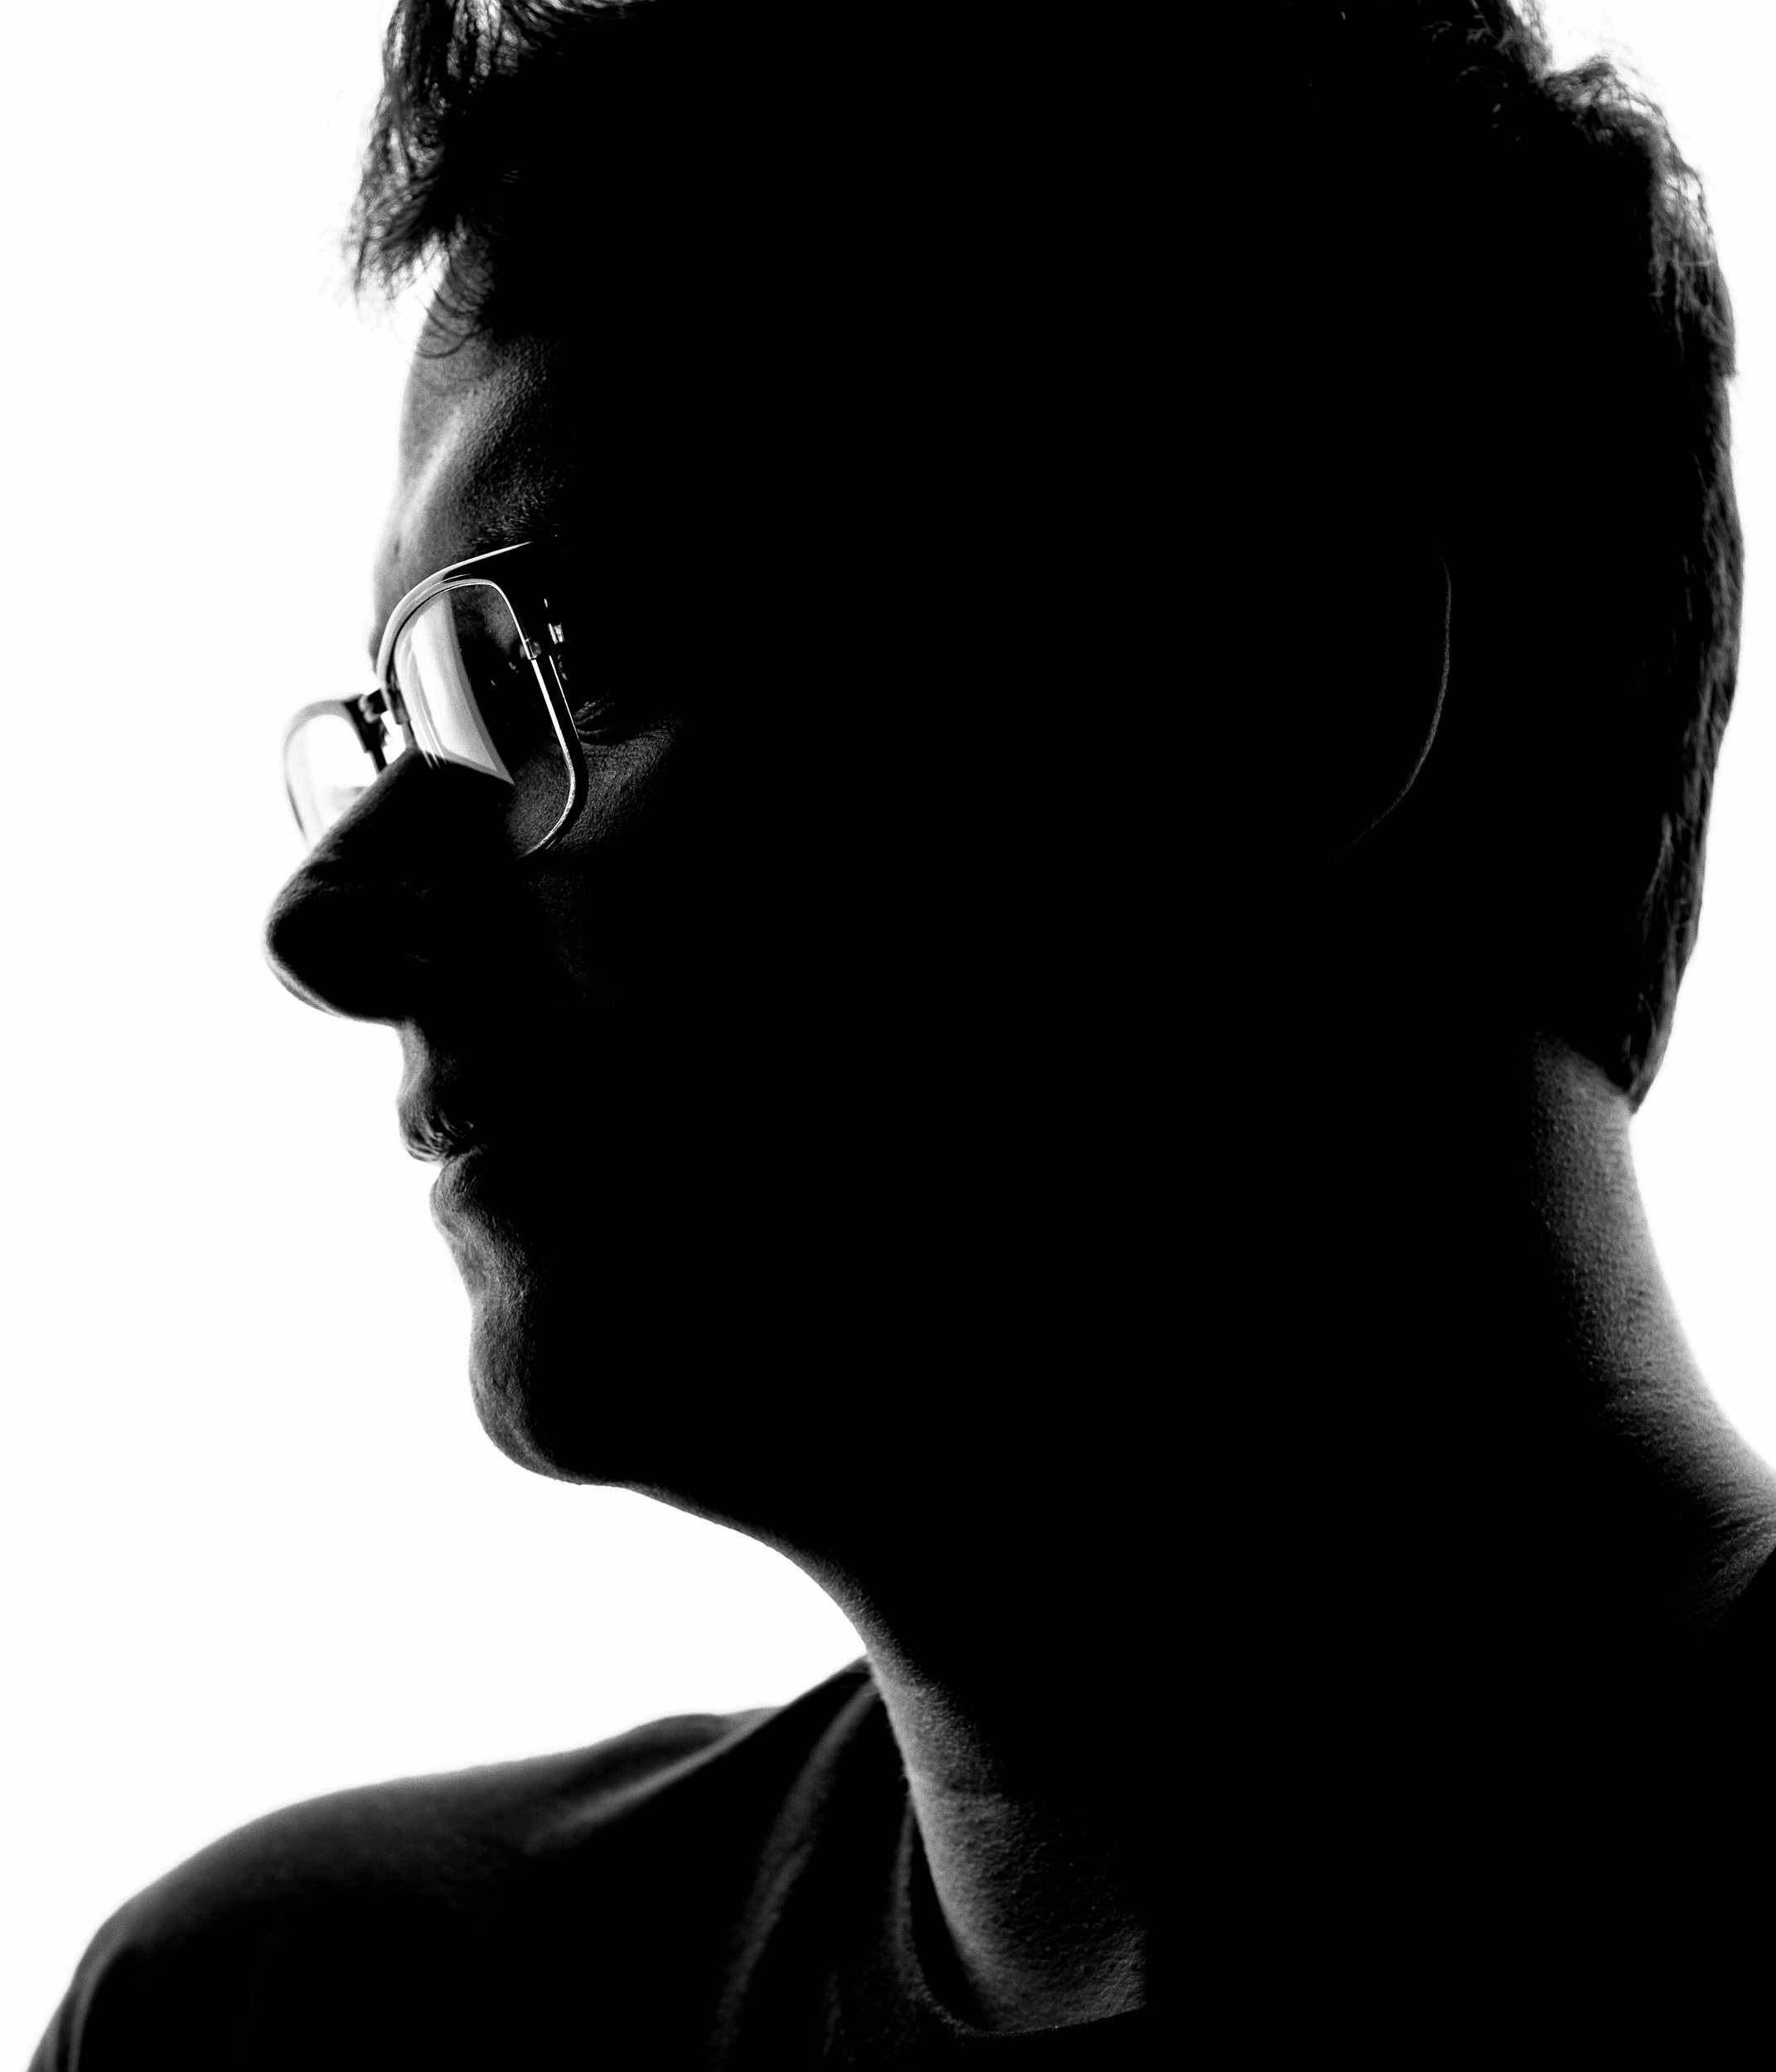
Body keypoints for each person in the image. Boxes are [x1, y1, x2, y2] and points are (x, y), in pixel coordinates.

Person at [31, 0, 1773, 2060]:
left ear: (1274, 666)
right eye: (405, 728)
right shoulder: (292, 2018)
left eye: (559, 670)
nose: (334, 926)